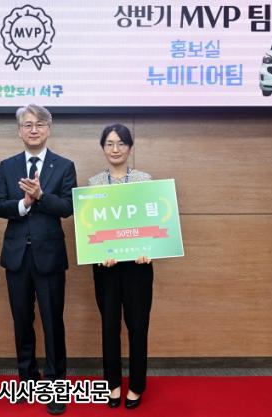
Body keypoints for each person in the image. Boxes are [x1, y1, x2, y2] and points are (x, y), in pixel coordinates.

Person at [0, 104, 76, 415]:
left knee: (53, 322)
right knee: (22, 321)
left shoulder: (64, 166)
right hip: (17, 257)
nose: (34, 129)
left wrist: (40, 197)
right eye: (27, 124)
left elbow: (67, 207)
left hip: (49, 257)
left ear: (48, 129)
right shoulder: (7, 166)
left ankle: (55, 385)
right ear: (19, 131)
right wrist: (24, 204)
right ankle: (27, 380)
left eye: (40, 124)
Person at [89, 123, 154, 410]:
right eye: (109, 144)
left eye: (121, 143)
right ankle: (112, 383)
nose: (115, 149)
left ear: (129, 147)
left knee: (138, 327)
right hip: (107, 268)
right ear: (103, 148)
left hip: (138, 267)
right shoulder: (93, 184)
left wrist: (149, 250)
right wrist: (100, 253)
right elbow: (91, 228)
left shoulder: (144, 180)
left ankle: (137, 385)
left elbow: (152, 223)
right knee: (109, 327)